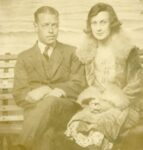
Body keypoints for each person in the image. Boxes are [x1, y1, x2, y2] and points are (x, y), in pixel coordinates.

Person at [65, 2, 143, 150]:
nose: (98, 28)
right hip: (97, 105)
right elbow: (88, 85)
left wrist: (110, 103)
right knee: (78, 125)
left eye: (103, 22)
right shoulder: (88, 51)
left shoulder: (126, 50)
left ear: (112, 23)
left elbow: (135, 85)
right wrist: (92, 100)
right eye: (94, 23)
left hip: (125, 106)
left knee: (99, 128)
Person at [12, 6, 86, 150]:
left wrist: (49, 89)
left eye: (55, 25)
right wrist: (31, 96)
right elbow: (19, 94)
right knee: (47, 135)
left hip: (66, 111)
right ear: (35, 26)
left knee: (50, 101)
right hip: (36, 114)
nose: (51, 30)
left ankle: (20, 146)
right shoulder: (24, 57)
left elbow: (79, 84)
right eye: (46, 25)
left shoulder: (72, 52)